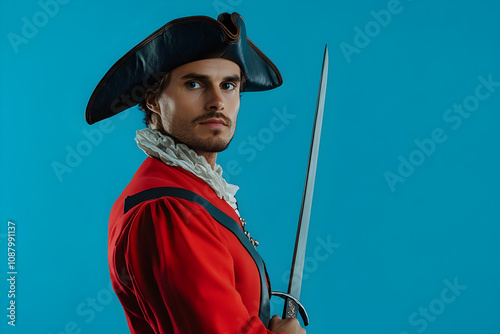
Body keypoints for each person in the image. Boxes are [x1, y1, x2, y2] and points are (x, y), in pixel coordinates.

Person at [86, 12, 306, 334]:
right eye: (194, 84)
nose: (217, 101)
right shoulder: (169, 211)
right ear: (154, 101)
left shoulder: (191, 188)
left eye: (228, 85)